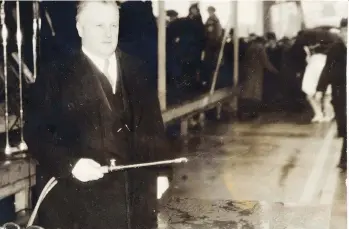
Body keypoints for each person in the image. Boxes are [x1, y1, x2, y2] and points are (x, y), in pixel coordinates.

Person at [25, 1, 171, 228]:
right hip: (78, 205)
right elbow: (35, 133)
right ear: (80, 28)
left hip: (135, 203)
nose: (108, 33)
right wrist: (70, 164)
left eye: (114, 25)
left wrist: (161, 173)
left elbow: (153, 128)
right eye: (99, 26)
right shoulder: (55, 75)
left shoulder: (137, 69)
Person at [316, 18, 347, 171]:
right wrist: (320, 90)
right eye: (345, 31)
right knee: (344, 127)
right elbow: (327, 70)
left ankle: (344, 160)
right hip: (341, 93)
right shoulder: (336, 49)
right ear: (341, 32)